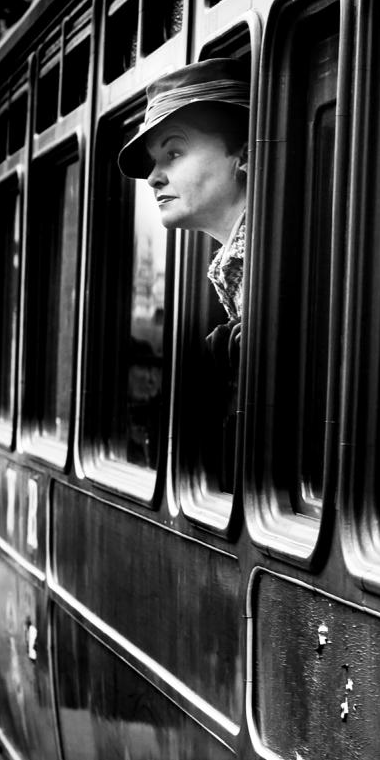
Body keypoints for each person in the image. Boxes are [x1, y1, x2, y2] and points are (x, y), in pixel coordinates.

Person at [118, 57, 250, 475]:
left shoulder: (270, 258)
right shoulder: (236, 266)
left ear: (244, 153)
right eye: (155, 160)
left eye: (173, 152)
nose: (153, 178)